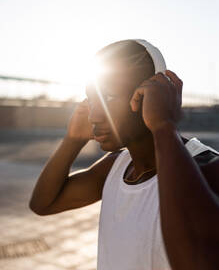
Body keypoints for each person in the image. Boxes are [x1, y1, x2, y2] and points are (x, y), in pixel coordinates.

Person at [29, 39, 219, 270]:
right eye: (92, 99)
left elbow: (197, 261)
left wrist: (163, 126)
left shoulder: (209, 169)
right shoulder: (115, 167)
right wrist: (72, 140)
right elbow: (43, 204)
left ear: (151, 95)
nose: (94, 116)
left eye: (109, 97)